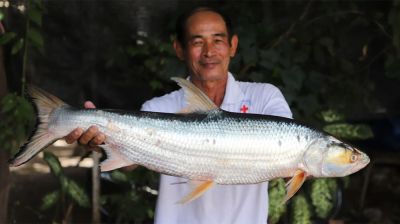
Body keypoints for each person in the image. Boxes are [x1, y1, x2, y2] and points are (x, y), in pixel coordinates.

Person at [65, 7, 292, 224]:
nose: (209, 52)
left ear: (233, 45)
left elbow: (291, 159)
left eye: (218, 40)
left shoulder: (265, 98)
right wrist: (103, 142)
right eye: (197, 42)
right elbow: (130, 163)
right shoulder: (159, 106)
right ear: (179, 49)